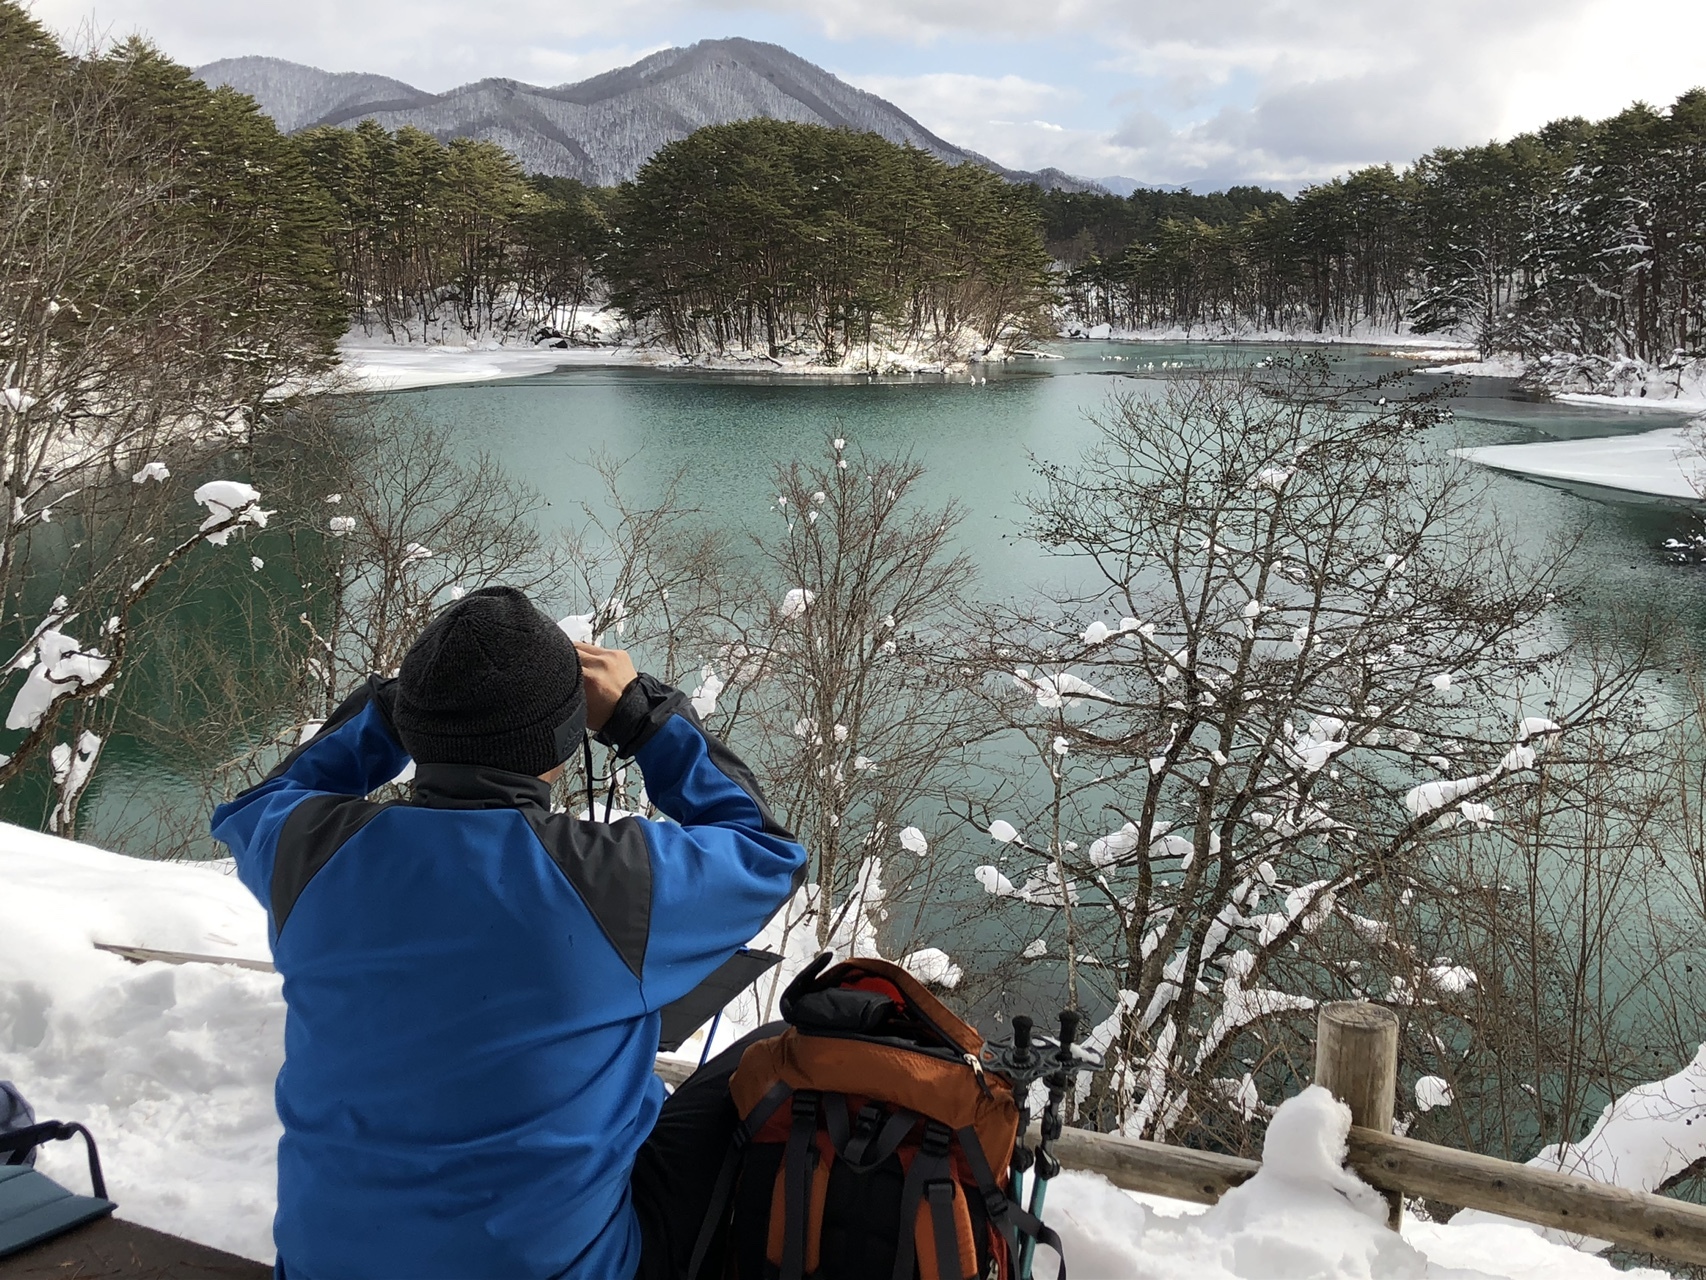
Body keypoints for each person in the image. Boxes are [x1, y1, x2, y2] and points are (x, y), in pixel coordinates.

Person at [211, 586, 808, 1280]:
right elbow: (769, 854)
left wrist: (400, 709)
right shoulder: (614, 883)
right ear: (565, 737)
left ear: (412, 725)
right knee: (773, 1051)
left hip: (322, 1269)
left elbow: (255, 803)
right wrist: (643, 717)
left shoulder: (307, 853)